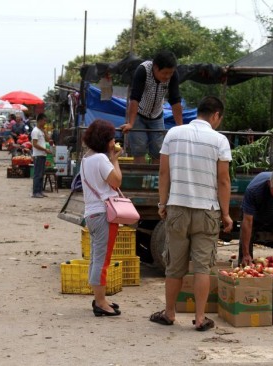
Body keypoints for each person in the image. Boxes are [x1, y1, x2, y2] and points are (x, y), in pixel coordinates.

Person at [149, 96, 232, 331]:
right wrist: (225, 214)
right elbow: (223, 180)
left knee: (174, 267)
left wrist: (162, 204)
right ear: (215, 115)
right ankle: (199, 318)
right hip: (207, 211)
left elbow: (164, 173)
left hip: (177, 209)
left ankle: (169, 313)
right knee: (202, 267)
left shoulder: (173, 134)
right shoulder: (220, 140)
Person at [80, 119, 123, 317]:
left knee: (96, 257)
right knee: (102, 259)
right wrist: (114, 159)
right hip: (104, 213)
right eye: (112, 138)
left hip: (92, 213)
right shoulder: (101, 160)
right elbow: (116, 181)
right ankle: (100, 301)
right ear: (105, 140)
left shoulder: (86, 159)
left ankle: (100, 297)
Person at [121, 50, 183, 164]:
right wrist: (130, 123)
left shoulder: (173, 75)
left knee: (159, 151)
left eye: (170, 73)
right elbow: (134, 98)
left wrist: (181, 127)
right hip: (138, 114)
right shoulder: (143, 70)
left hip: (157, 115)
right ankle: (141, 180)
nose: (168, 76)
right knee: (139, 149)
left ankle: (155, 180)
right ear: (155, 67)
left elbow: (175, 101)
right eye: (165, 73)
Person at [31, 113, 51, 198]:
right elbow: (34, 144)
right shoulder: (35, 131)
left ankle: (40, 191)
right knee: (37, 174)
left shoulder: (41, 131)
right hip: (38, 155)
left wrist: (45, 131)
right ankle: (35, 192)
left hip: (42, 155)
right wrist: (45, 150)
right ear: (39, 120)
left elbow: (47, 139)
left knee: (41, 174)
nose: (45, 123)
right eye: (44, 121)